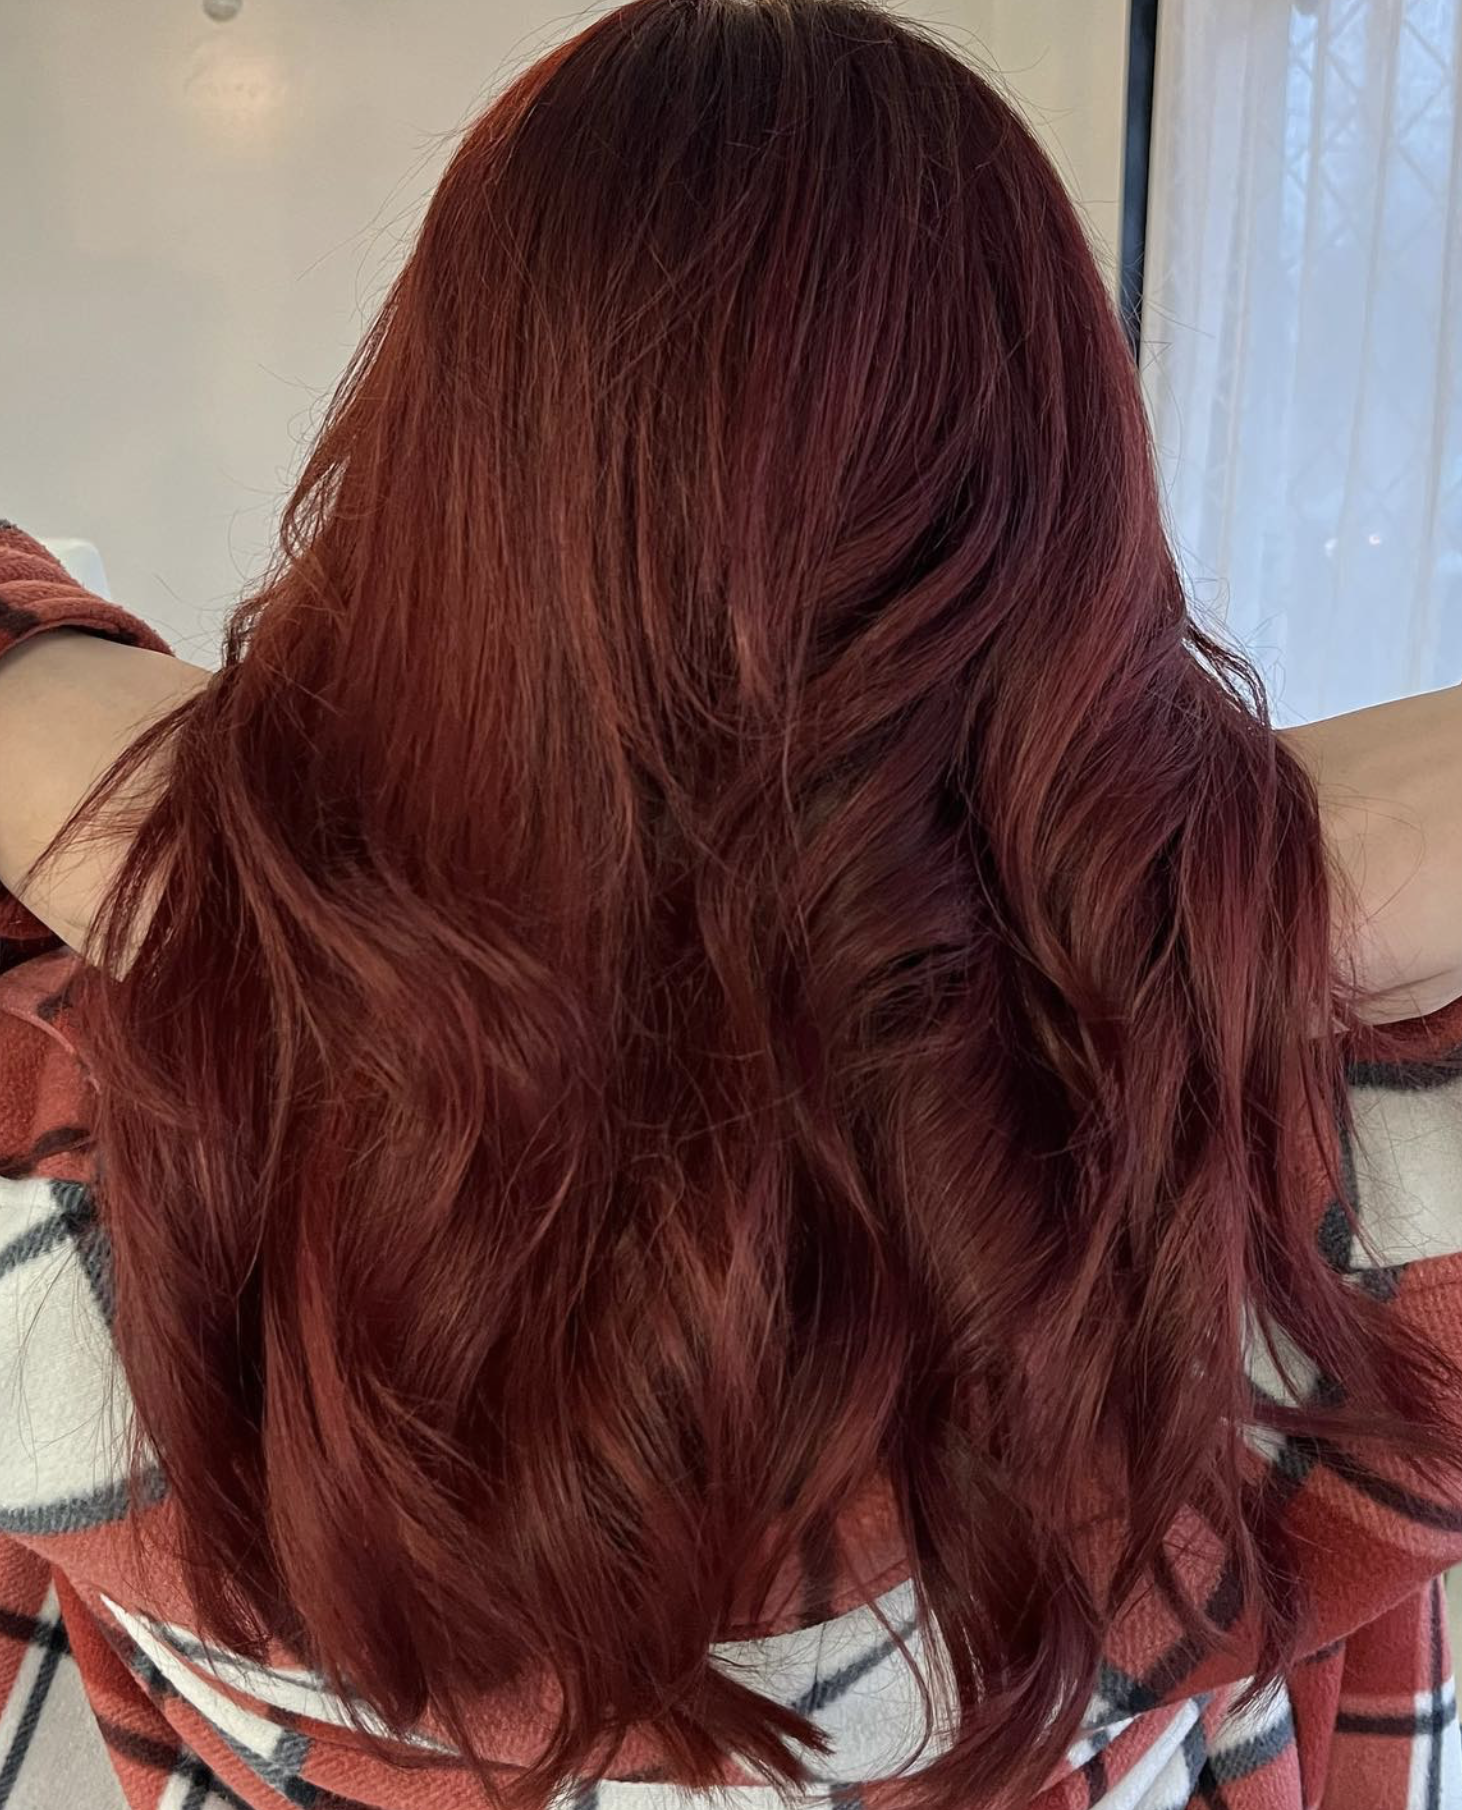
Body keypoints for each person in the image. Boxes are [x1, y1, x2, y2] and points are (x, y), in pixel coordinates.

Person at [1, 2, 1461, 1805]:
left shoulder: (94, 1126)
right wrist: (1228, 871)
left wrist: (130, 770)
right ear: (1063, 512)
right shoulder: (1329, 1183)